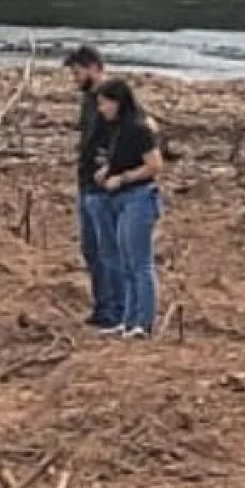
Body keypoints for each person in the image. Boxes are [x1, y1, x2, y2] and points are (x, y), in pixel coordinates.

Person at [92, 78, 164, 340]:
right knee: (125, 260)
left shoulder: (139, 128)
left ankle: (143, 322)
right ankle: (128, 319)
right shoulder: (119, 129)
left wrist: (123, 179)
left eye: (104, 103)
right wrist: (107, 172)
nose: (101, 109)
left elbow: (154, 165)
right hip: (120, 199)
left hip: (139, 198)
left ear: (117, 102)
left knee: (140, 262)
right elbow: (122, 158)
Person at [64, 44, 121, 330]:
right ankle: (103, 307)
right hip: (86, 183)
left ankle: (114, 310)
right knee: (91, 248)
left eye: (78, 72)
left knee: (106, 249)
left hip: (101, 187)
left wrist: (111, 169)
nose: (75, 79)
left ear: (95, 68)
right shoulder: (88, 99)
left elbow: (132, 133)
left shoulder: (111, 98)